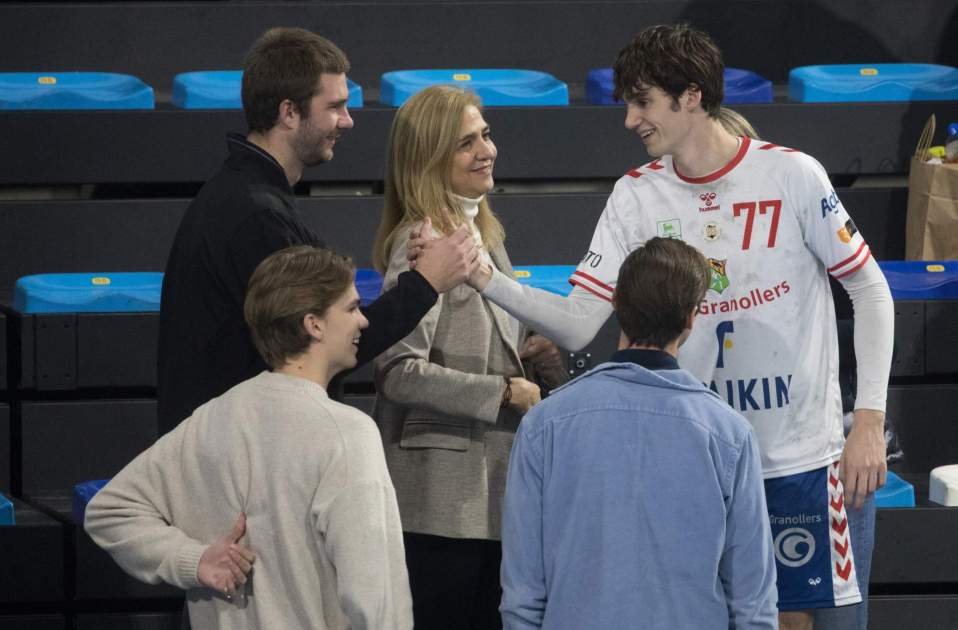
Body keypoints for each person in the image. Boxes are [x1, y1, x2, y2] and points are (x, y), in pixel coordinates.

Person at [449, 24, 895, 630]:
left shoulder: (793, 176)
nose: (631, 120)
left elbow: (869, 287)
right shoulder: (636, 196)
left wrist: (868, 418)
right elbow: (580, 324)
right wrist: (484, 278)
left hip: (802, 464)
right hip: (699, 464)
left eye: (643, 102)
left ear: (690, 98)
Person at [157, 26, 479, 435]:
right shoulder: (256, 217)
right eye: (336, 106)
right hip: (236, 468)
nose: (348, 121)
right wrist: (425, 283)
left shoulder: (248, 198)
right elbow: (321, 345)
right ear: (289, 112)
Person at [86, 245, 412, 630]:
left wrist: (195, 559)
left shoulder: (211, 419)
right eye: (351, 308)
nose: (364, 322)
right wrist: (195, 560)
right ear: (314, 324)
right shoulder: (348, 433)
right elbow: (375, 596)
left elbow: (108, 511)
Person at [500, 237, 778, 629]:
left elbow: (522, 594)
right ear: (691, 320)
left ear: (616, 305)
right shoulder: (729, 433)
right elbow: (753, 603)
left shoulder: (544, 424)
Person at [371, 85, 568, 630]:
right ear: (429, 159)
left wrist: (530, 359)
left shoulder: (483, 231)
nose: (487, 150)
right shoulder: (422, 237)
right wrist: (503, 392)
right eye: (466, 143)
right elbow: (397, 371)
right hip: (438, 503)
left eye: (486, 134)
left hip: (488, 499)